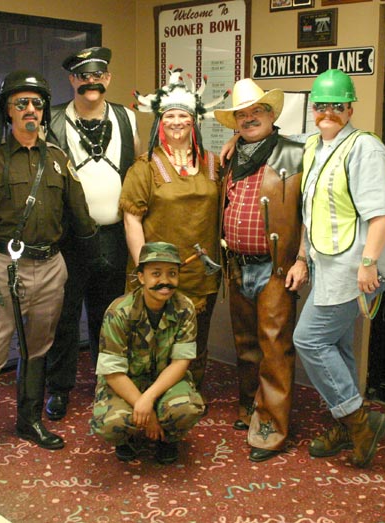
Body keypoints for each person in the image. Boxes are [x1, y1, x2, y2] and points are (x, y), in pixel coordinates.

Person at [0, 70, 97, 479]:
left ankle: (29, 421)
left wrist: (96, 249)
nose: (31, 110)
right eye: (21, 103)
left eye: (36, 103)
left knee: (37, 348)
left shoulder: (59, 159)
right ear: (7, 111)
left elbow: (80, 215)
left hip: (51, 267)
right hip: (3, 267)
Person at [292, 69, 385, 468]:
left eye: (337, 105)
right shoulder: (315, 145)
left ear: (351, 107)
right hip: (324, 262)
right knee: (336, 346)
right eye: (321, 105)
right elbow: (310, 210)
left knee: (310, 340)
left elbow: (382, 213)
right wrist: (302, 257)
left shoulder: (365, 148)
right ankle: (346, 422)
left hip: (354, 267)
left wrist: (368, 264)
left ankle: (358, 423)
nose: (328, 112)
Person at [213, 78, 308, 462]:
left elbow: (309, 213)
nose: (250, 118)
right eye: (243, 114)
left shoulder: (294, 152)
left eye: (257, 111)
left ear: (272, 115)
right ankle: (249, 408)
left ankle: (270, 427)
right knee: (247, 345)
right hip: (236, 264)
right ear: (235, 122)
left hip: (275, 268)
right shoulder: (232, 155)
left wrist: (301, 258)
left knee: (274, 349)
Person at [45, 46, 141, 421]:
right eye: (83, 76)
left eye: (97, 75)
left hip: (115, 236)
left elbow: (137, 169)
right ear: (72, 80)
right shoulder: (53, 121)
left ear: (108, 79)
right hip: (69, 238)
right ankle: (59, 388)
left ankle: (108, 383)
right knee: (65, 316)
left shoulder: (127, 118)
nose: (90, 82)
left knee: (108, 315)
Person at [120, 68, 228, 392]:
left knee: (195, 342)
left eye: (184, 116)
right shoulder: (146, 167)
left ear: (194, 121)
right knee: (154, 342)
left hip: (200, 275)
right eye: (170, 116)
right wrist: (145, 265)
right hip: (157, 273)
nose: (177, 122)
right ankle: (150, 398)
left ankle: (188, 397)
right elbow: (131, 219)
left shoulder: (212, 163)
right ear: (160, 122)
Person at [90, 241, 205, 464]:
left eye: (172, 273)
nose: (165, 281)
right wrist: (147, 411)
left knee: (188, 408)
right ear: (141, 277)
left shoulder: (185, 307)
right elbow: (112, 373)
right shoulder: (119, 312)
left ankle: (169, 438)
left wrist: (149, 398)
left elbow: (181, 362)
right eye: (156, 273)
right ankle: (126, 439)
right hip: (126, 382)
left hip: (165, 382)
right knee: (110, 424)